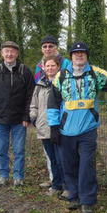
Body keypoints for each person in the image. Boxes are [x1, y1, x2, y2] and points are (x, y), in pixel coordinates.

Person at [47, 41, 107, 213]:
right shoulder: (61, 76)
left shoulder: (95, 73)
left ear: (87, 56)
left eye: (82, 53)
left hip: (88, 129)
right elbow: (53, 103)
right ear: (70, 57)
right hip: (65, 130)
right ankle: (74, 196)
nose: (79, 55)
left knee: (86, 166)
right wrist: (54, 127)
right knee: (68, 165)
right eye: (76, 53)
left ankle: (87, 201)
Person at [0, 41, 35, 187]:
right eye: (6, 51)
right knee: (1, 150)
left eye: (12, 51)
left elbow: (30, 95)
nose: (9, 54)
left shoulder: (24, 71)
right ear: (2, 54)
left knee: (19, 150)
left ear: (17, 54)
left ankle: (18, 177)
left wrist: (27, 116)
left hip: (19, 120)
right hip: (0, 119)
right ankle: (3, 175)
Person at [34, 35, 71, 191]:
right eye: (45, 46)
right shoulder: (38, 67)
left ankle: (66, 183)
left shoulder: (67, 64)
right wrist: (34, 117)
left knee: (63, 156)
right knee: (51, 156)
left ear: (56, 47)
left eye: (51, 46)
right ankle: (54, 181)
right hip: (44, 122)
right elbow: (36, 94)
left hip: (63, 121)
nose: (48, 49)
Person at [29, 55, 65, 196]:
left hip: (60, 128)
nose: (50, 68)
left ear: (58, 67)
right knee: (52, 159)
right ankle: (56, 185)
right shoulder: (39, 85)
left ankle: (66, 185)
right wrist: (34, 118)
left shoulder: (63, 83)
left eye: (53, 66)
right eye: (47, 66)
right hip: (44, 128)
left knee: (61, 158)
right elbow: (34, 105)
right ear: (43, 68)